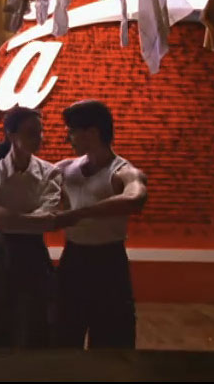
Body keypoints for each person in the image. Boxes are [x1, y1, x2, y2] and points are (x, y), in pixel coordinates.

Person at [54, 100, 148, 349]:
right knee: (62, 339)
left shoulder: (123, 171)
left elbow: (135, 198)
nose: (68, 138)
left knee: (112, 347)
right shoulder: (65, 168)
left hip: (108, 264)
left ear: (92, 132)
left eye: (72, 131)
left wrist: (77, 215)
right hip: (73, 260)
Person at [0, 106, 62, 348]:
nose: (39, 138)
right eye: (31, 133)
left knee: (36, 327)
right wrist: (33, 220)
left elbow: (50, 216)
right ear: (12, 135)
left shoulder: (50, 172)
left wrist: (10, 218)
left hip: (34, 254)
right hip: (2, 253)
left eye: (40, 132)